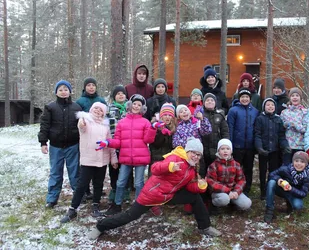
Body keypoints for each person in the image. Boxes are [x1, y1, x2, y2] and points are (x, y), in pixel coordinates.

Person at [87, 138, 222, 240]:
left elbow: (188, 187)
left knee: (195, 197)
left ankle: (205, 227)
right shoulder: (175, 158)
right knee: (129, 216)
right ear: (187, 151)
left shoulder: (192, 169)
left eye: (198, 155)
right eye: (193, 153)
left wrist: (200, 185)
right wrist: (169, 167)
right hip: (151, 196)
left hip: (169, 196)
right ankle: (100, 226)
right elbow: (154, 168)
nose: (196, 157)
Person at [98, 94, 158, 215]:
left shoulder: (145, 122)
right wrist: (108, 142)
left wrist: (152, 128)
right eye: (134, 104)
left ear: (142, 108)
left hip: (141, 158)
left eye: (139, 105)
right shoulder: (122, 122)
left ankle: (138, 205)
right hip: (125, 158)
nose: (136, 106)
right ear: (130, 105)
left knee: (138, 183)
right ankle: (117, 204)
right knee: (120, 182)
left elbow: (148, 140)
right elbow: (118, 141)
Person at [60, 102, 118, 223]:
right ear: (91, 109)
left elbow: (110, 143)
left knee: (98, 184)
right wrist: (82, 123)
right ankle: (72, 209)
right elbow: (82, 127)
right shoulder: (85, 120)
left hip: (102, 159)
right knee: (82, 184)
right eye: (96, 108)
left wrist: (114, 159)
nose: (98, 111)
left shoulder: (105, 126)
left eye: (101, 110)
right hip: (88, 159)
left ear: (104, 113)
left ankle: (95, 205)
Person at [38, 80, 81, 209]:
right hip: (56, 146)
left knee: (74, 172)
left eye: (66, 89)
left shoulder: (76, 107)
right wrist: (43, 142)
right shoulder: (50, 107)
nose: (63, 92)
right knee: (55, 172)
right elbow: (44, 125)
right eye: (60, 89)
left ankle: (78, 195)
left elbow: (82, 126)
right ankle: (52, 198)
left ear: (70, 91)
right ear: (56, 92)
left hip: (73, 145)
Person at [255, 98, 290, 200]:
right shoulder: (260, 119)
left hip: (275, 151)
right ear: (264, 107)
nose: (270, 107)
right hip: (263, 151)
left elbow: (281, 136)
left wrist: (285, 146)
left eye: (272, 105)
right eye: (268, 105)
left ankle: (271, 189)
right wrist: (259, 148)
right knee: (262, 171)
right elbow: (257, 135)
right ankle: (263, 191)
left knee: (273, 171)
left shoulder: (278, 119)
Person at [227, 88, 259, 195]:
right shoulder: (233, 110)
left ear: (250, 99)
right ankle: (234, 187)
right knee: (236, 168)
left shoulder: (254, 111)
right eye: (242, 97)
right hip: (237, 145)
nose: (244, 99)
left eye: (247, 97)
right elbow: (230, 128)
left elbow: (256, 129)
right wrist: (230, 145)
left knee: (248, 168)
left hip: (249, 146)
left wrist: (255, 145)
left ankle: (247, 188)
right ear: (239, 98)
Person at [264, 151, 309, 223]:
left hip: (293, 193)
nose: (299, 164)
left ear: (306, 164)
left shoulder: (306, 177)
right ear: (293, 161)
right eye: (296, 161)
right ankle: (269, 209)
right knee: (271, 182)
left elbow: (304, 193)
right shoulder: (285, 169)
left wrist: (291, 189)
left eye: (302, 161)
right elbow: (271, 174)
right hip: (281, 189)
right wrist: (279, 180)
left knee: (298, 205)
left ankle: (290, 203)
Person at [206, 139, 251, 213]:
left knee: (247, 204)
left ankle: (232, 203)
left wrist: (236, 191)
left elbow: (241, 180)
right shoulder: (213, 165)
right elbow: (211, 182)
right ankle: (214, 204)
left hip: (232, 191)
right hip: (219, 192)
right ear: (218, 151)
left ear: (231, 151)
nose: (225, 151)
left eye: (228, 148)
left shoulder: (236, 164)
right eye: (222, 149)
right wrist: (227, 191)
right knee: (224, 199)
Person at [148, 103, 177, 216]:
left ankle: (166, 199)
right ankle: (154, 204)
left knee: (167, 182)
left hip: (168, 159)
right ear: (161, 116)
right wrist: (161, 131)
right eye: (165, 115)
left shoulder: (174, 128)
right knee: (154, 182)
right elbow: (155, 143)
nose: (167, 117)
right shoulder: (155, 127)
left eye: (170, 115)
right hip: (156, 158)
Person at [106, 85, 130, 205]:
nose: (121, 95)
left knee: (127, 167)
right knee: (114, 167)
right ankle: (114, 188)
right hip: (114, 143)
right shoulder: (109, 109)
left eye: (123, 93)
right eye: (118, 93)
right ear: (114, 96)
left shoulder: (130, 108)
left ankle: (126, 189)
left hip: (127, 143)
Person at [201, 93, 229, 176]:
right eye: (207, 100)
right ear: (204, 102)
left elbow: (225, 132)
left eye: (212, 100)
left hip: (216, 148)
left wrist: (225, 145)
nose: (210, 102)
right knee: (203, 171)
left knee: (215, 171)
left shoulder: (220, 116)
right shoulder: (200, 115)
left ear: (215, 102)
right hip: (203, 149)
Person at [280, 87, 308, 164]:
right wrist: (285, 125)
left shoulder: (305, 112)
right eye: (292, 96)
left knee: (298, 169)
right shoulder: (284, 112)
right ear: (290, 98)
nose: (295, 97)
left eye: (297, 95)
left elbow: (305, 129)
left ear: (300, 98)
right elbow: (280, 128)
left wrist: (295, 125)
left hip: (300, 146)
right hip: (287, 146)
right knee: (287, 168)